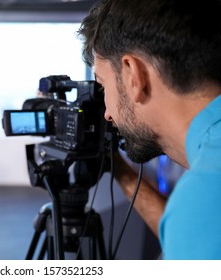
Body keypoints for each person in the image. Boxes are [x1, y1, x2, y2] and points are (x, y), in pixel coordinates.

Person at [78, 0, 221, 259]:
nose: (107, 113)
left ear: (134, 75)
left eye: (102, 85)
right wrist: (122, 173)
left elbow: (197, 218)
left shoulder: (203, 198)